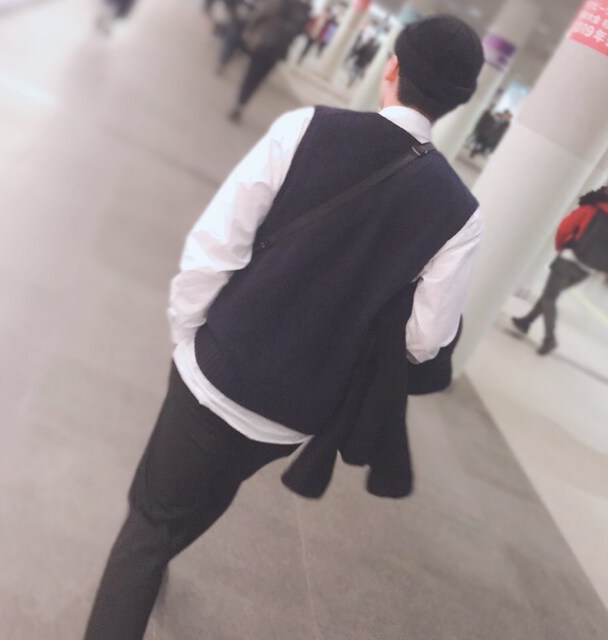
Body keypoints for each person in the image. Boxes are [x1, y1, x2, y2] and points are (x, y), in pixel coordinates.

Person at [83, 15, 485, 639]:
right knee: (215, 488)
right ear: (458, 102)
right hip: (296, 413)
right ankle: (155, 562)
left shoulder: (308, 128)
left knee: (149, 521)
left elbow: (217, 244)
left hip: (218, 369)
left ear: (393, 67)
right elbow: (424, 341)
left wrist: (188, 333)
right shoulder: (460, 214)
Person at [512, 179, 608, 355]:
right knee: (550, 295)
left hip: (568, 260)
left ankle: (549, 339)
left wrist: (562, 247)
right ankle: (526, 321)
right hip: (587, 269)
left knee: (549, 297)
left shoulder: (592, 208)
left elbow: (564, 228)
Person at [228, 0, 311, 123]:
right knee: (252, 75)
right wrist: (251, 28)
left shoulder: (305, 10)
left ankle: (242, 103)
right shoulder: (288, 4)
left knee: (259, 78)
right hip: (266, 42)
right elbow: (265, 13)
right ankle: (240, 102)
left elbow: (300, 30)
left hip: (277, 49)